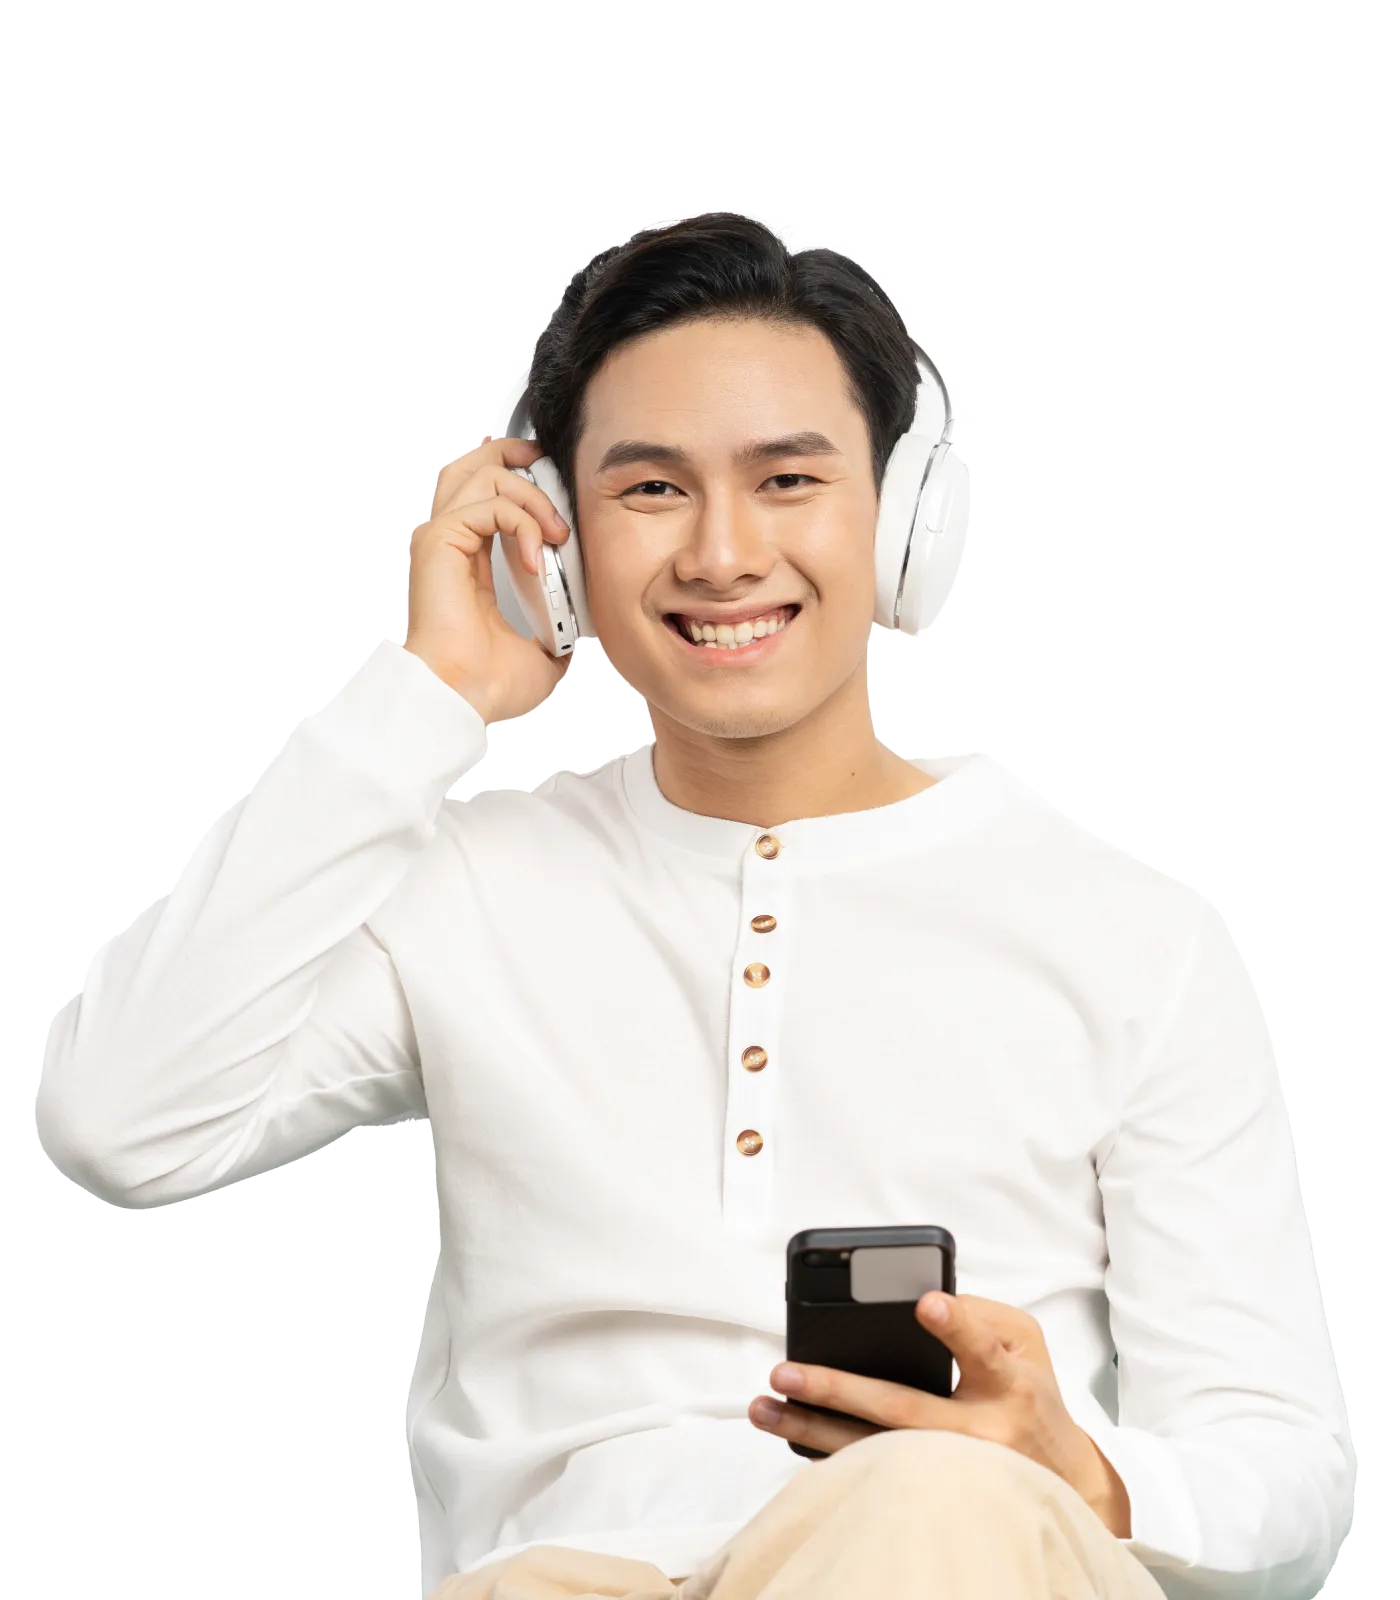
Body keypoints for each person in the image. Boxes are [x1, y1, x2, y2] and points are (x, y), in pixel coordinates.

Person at [34, 210, 1354, 1599]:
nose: (722, 556)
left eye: (788, 480)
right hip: (565, 1576)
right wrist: (425, 699)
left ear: (904, 520)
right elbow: (121, 1124)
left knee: (928, 1501)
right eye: (651, 490)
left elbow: (1289, 1481)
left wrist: (1082, 1475)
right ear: (553, 540)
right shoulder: (467, 884)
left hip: (947, 1553)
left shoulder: (1133, 931)